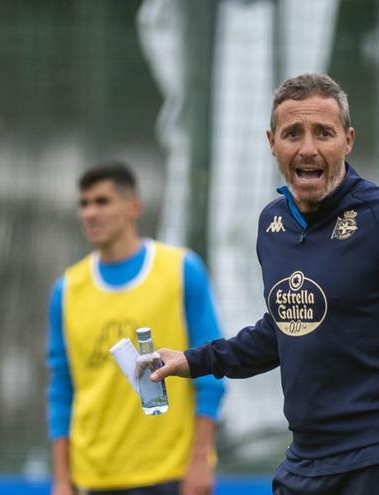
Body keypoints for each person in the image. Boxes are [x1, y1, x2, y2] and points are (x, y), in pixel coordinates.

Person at [147, 73, 379, 494]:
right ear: (272, 143)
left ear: (347, 140)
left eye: (323, 133)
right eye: (293, 133)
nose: (308, 148)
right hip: (306, 461)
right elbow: (284, 329)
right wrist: (193, 360)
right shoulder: (273, 225)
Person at [46, 162, 225, 495]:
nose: (90, 212)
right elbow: (61, 388)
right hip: (93, 477)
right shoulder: (67, 290)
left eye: (102, 201)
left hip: (170, 472)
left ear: (133, 207)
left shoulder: (181, 270)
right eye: (84, 204)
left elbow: (211, 371)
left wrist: (201, 460)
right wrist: (61, 479)